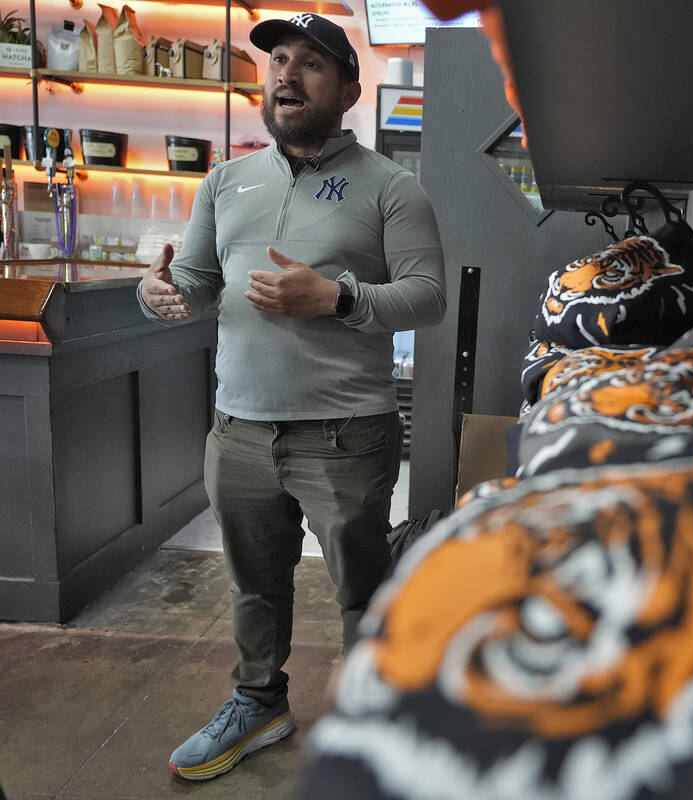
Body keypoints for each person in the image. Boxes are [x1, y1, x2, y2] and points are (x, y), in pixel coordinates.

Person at [136, 12, 446, 782]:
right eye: (278, 58)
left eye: (312, 62)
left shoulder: (394, 189)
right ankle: (259, 702)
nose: (287, 73)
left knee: (359, 589)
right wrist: (157, 292)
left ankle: (374, 716)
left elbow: (428, 297)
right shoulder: (225, 180)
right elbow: (198, 284)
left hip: (345, 435)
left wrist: (335, 299)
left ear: (348, 86)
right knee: (255, 586)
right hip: (239, 429)